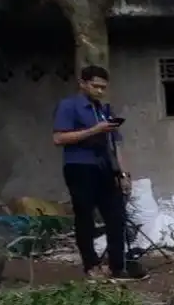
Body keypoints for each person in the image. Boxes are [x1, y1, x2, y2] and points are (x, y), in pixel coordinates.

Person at [52, 65, 143, 280]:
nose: (100, 91)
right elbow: (58, 138)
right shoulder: (69, 106)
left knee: (116, 215)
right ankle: (91, 265)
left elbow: (116, 143)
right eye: (95, 86)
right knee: (85, 217)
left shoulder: (104, 110)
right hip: (80, 167)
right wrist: (95, 130)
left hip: (106, 167)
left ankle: (117, 266)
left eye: (103, 88)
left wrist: (123, 173)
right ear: (82, 84)